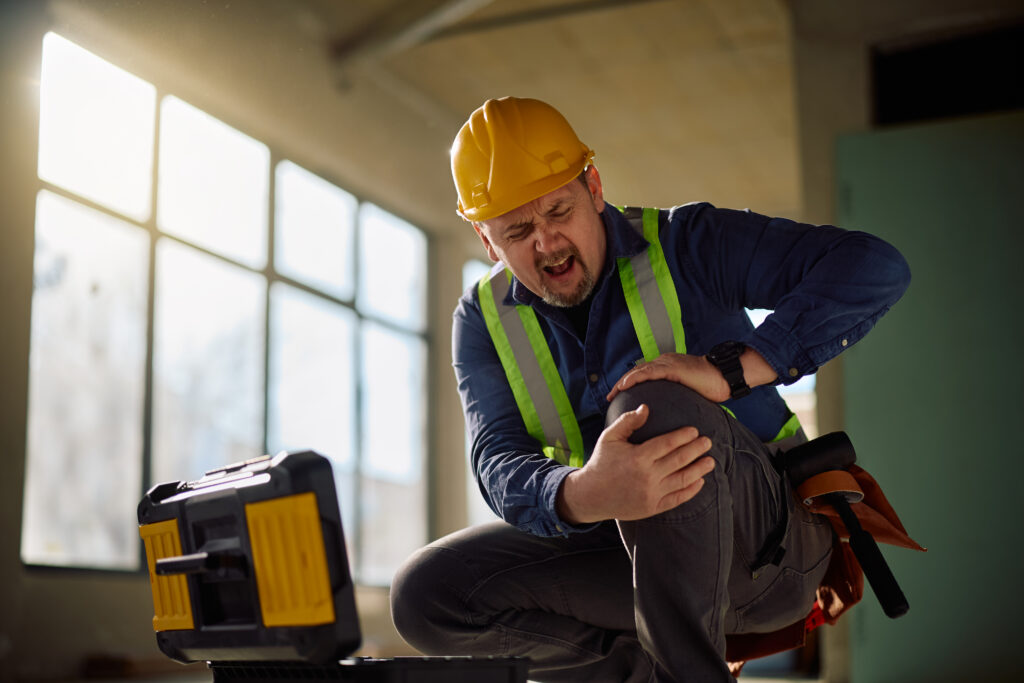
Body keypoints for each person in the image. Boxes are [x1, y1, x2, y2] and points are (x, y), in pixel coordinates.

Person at [389, 96, 911, 682]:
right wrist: (587, 493)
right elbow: (496, 459)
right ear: (488, 243)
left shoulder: (688, 242)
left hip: (767, 550)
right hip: (628, 564)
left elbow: (873, 267)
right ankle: (635, 669)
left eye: (558, 210)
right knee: (428, 594)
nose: (547, 243)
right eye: (517, 231)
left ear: (593, 186)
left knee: (648, 404)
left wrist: (733, 370)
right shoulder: (482, 320)